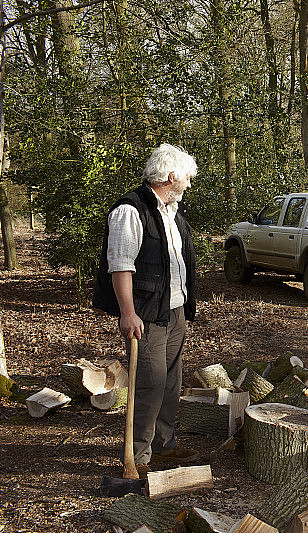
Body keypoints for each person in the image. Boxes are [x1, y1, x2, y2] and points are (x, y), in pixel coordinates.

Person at [93, 143, 199, 477]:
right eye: (186, 179)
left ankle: (164, 444)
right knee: (150, 384)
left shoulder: (172, 211)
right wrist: (127, 312)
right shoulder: (130, 210)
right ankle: (138, 455)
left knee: (171, 383)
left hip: (175, 310)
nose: (188, 186)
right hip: (147, 314)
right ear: (171, 176)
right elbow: (120, 266)